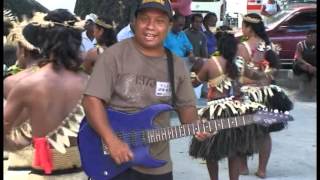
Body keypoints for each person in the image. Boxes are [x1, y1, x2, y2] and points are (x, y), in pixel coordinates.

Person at [82, 0, 210, 179]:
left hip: (156, 166)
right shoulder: (114, 55)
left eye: (159, 21)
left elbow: (188, 115)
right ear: (134, 22)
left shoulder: (177, 66)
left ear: (169, 25)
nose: (151, 27)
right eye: (145, 19)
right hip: (113, 161)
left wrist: (199, 127)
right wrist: (111, 140)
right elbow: (91, 100)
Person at [4, 9, 89, 179]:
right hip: (81, 173)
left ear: (44, 41)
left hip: (40, 173)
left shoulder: (28, 84)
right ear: (77, 41)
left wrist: (28, 142)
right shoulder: (91, 83)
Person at [189, 26, 265, 180]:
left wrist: (192, 72)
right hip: (237, 110)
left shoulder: (211, 63)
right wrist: (264, 73)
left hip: (216, 110)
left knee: (210, 150)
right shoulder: (239, 63)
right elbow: (255, 75)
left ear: (219, 46)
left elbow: (195, 83)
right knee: (234, 150)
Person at [236, 13, 293, 179]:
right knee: (264, 132)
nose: (242, 29)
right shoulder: (268, 46)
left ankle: (243, 167)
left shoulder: (242, 47)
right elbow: (273, 71)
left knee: (243, 130)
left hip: (247, 94)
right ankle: (262, 170)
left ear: (249, 27)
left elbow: (239, 75)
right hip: (266, 94)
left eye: (243, 25)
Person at [292, 29, 316, 101]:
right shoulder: (301, 45)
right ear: (308, 37)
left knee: (314, 72)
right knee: (307, 68)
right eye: (314, 37)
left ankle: (310, 92)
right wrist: (308, 65)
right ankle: (310, 93)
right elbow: (298, 58)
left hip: (313, 66)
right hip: (301, 65)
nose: (315, 39)